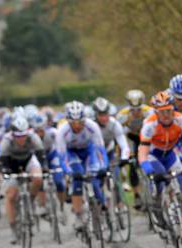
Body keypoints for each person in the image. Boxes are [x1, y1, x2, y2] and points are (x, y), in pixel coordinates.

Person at [138, 91, 182, 229]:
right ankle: (157, 205)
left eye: (169, 111)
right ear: (156, 112)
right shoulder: (149, 124)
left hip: (170, 154)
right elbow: (143, 152)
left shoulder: (181, 120)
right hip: (154, 156)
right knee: (160, 175)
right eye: (162, 112)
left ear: (173, 109)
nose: (166, 115)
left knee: (181, 185)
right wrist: (148, 170)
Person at [56, 101, 108, 230]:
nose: (77, 125)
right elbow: (62, 157)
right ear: (68, 121)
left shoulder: (92, 126)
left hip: (89, 152)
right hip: (72, 153)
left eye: (80, 122)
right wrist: (69, 172)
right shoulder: (62, 131)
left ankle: (102, 210)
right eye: (73, 123)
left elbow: (100, 150)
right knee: (77, 179)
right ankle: (79, 215)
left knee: (95, 181)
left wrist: (103, 167)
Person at [0, 115, 47, 244]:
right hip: (11, 164)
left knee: (38, 178)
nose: (21, 139)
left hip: (28, 161)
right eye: (18, 136)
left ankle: (30, 200)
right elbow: (3, 161)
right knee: (11, 195)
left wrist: (44, 168)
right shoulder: (6, 140)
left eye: (24, 135)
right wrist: (6, 171)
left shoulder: (33, 137)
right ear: (13, 134)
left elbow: (40, 155)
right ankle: (14, 228)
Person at [117, 89, 152, 209]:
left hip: (146, 138)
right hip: (131, 138)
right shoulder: (122, 115)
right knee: (132, 164)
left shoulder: (149, 111)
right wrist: (124, 153)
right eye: (133, 109)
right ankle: (137, 195)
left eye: (138, 109)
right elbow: (119, 136)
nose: (136, 112)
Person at [32, 113, 66, 223]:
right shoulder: (31, 137)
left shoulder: (53, 133)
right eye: (36, 131)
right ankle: (42, 205)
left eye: (41, 130)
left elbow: (61, 148)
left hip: (52, 156)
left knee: (59, 181)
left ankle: (61, 206)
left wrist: (63, 164)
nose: (39, 134)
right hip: (38, 158)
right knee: (39, 179)